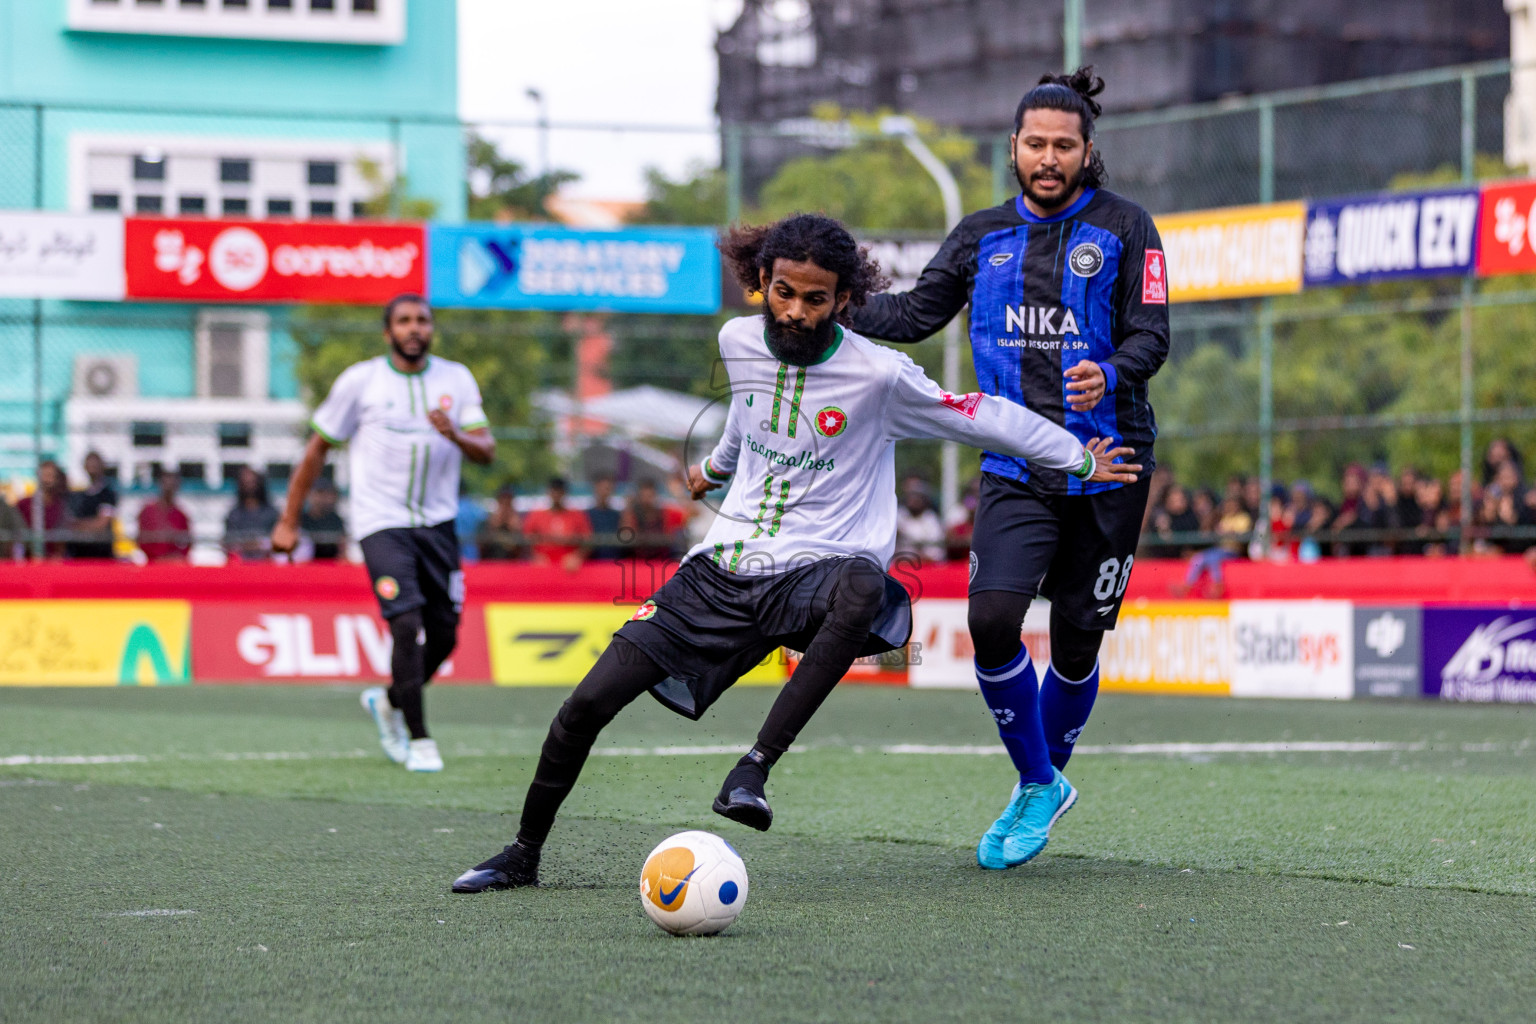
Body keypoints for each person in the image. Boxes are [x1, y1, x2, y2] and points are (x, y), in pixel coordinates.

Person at [450, 213, 1139, 894]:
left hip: (817, 576)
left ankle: (753, 769)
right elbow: (748, 418)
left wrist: (1078, 458)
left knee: (865, 589)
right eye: (784, 292)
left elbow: (982, 414)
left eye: (816, 299)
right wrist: (715, 472)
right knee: (583, 707)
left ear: (844, 300)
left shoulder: (879, 376)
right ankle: (523, 854)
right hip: (721, 573)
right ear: (761, 283)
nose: (797, 312)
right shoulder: (736, 339)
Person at [848, 68, 1169, 868]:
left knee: (1077, 643)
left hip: (1110, 464)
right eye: (1036, 144)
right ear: (1015, 150)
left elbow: (1152, 337)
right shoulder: (980, 235)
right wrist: (829, 305)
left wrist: (1115, 373)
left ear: (1088, 151)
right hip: (1015, 463)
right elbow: (916, 314)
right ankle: (1039, 783)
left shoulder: (1129, 228)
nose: (1049, 158)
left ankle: (1040, 783)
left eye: (1065, 145)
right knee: (991, 620)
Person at [271, 293, 493, 773]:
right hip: (381, 523)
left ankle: (390, 699)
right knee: (405, 625)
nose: (415, 328)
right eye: (405, 321)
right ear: (388, 331)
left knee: (446, 635)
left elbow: (487, 449)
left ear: (432, 329)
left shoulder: (456, 378)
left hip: (438, 525)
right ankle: (419, 739)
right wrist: (290, 519)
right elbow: (316, 451)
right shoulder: (361, 381)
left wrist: (454, 434)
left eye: (423, 321)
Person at [521, 477, 591, 571]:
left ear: (565, 493)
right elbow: (525, 539)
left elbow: (589, 540)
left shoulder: (577, 515)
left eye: (560, 491)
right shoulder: (536, 515)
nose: (557, 495)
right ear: (548, 492)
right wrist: (535, 556)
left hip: (570, 567)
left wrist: (577, 556)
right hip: (542, 567)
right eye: (554, 491)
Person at [66, 452, 117, 559]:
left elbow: (101, 524)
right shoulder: (79, 495)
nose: (92, 467)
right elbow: (69, 524)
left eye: (95, 464)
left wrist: (79, 526)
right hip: (79, 554)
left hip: (100, 554)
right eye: (89, 464)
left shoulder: (108, 494)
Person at [620, 478, 686, 560]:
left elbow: (691, 513)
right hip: (637, 560)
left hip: (662, 559)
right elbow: (626, 535)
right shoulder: (632, 514)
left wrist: (678, 493)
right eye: (644, 496)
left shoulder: (665, 513)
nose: (647, 500)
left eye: (650, 496)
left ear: (655, 496)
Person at [223, 466, 278, 562]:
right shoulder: (234, 515)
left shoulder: (271, 513)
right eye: (246, 483)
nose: (249, 486)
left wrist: (260, 544)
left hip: (266, 565)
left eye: (252, 482)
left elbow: (278, 541)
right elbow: (229, 543)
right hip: (241, 565)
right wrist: (246, 545)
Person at [17, 460, 70, 559]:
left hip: (53, 563)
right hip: (27, 561)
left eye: (51, 475)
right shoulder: (23, 504)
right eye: (45, 475)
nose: (47, 480)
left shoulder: (61, 506)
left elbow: (63, 536)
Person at [136, 469, 192, 562]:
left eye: (173, 482)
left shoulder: (181, 515)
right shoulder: (148, 511)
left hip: (175, 563)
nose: (170, 485)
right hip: (153, 563)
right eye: (167, 481)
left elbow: (187, 543)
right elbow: (142, 540)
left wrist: (175, 557)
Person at [895, 474, 945, 564]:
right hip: (901, 564)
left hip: (927, 564)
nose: (913, 502)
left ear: (924, 501)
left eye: (917, 498)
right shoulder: (899, 516)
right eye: (911, 498)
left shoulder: (931, 519)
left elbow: (936, 548)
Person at [300, 478, 347, 560]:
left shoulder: (336, 521)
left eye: (327, 494)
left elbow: (342, 550)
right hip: (305, 565)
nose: (322, 498)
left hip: (331, 565)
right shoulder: (301, 520)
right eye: (319, 493)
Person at [477, 485, 522, 560]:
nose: (505, 507)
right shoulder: (486, 522)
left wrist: (515, 530)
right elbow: (481, 549)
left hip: (512, 566)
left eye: (508, 503)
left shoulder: (517, 523)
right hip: (491, 564)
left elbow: (520, 552)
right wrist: (491, 527)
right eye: (503, 502)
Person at [586, 475, 623, 560]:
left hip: (615, 561)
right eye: (601, 488)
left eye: (607, 489)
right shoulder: (586, 515)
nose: (604, 493)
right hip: (592, 563)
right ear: (595, 489)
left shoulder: (618, 516)